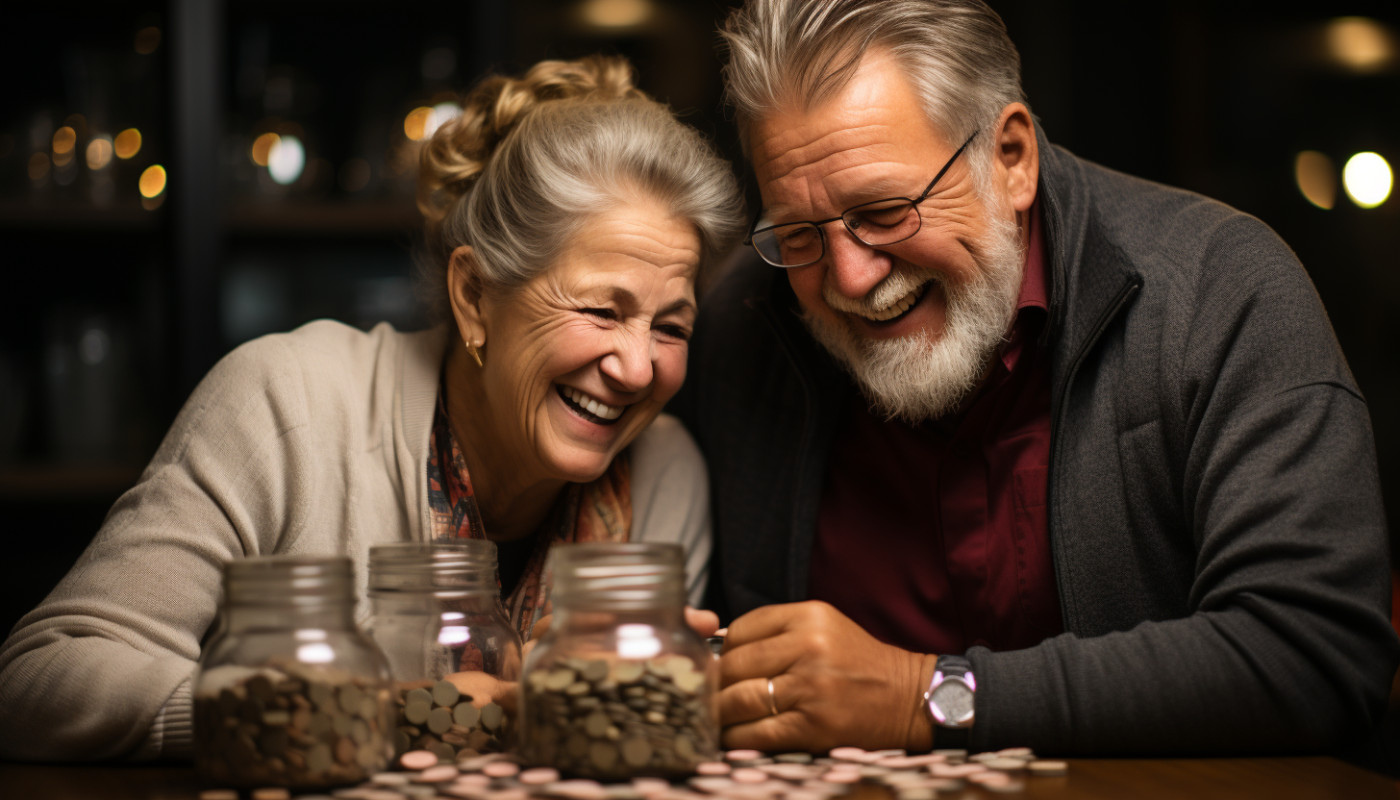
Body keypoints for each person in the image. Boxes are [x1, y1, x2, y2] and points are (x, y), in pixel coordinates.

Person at [672, 0, 1398, 756]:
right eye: (798, 233)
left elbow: (1318, 657)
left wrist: (924, 698)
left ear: (1010, 158)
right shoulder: (741, 324)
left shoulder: (1219, 291)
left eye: (885, 212)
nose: (849, 278)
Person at [0, 55, 744, 761]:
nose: (638, 366)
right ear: (476, 298)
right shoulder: (288, 402)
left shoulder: (667, 474)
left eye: (670, 326)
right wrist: (356, 714)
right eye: (601, 311)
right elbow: (39, 681)